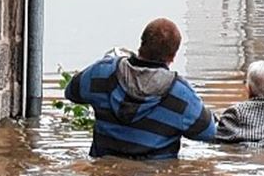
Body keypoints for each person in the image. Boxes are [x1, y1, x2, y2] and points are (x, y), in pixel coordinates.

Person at [64, 18, 217, 159]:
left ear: (141, 44)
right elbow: (209, 133)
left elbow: (71, 92)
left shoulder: (101, 72)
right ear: (173, 56)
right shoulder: (181, 95)